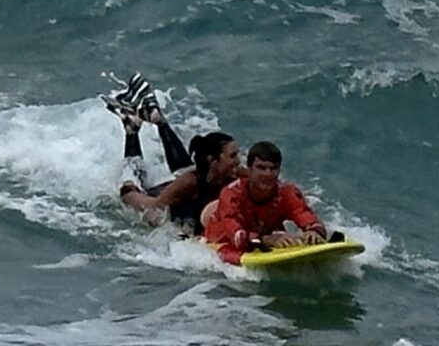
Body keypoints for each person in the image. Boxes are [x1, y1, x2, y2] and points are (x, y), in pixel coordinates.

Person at [109, 76, 244, 233]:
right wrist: (128, 194)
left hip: (187, 184)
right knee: (136, 181)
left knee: (186, 169)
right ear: (213, 160)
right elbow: (153, 206)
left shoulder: (234, 175)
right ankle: (131, 129)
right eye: (232, 156)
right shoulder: (190, 182)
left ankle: (158, 120)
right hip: (155, 195)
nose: (238, 161)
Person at [200, 141, 330, 260]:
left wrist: (314, 232)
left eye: (273, 168)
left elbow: (306, 216)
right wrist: (265, 239)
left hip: (259, 238)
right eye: (261, 168)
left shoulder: (287, 193)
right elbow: (237, 237)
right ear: (249, 169)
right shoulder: (231, 194)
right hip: (221, 241)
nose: (267, 174)